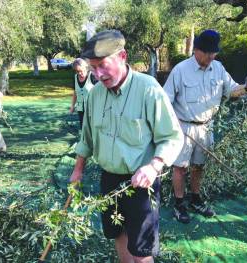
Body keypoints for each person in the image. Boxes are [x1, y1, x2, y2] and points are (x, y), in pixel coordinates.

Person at [70, 30, 184, 263]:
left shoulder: (149, 89)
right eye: (93, 68)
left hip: (141, 183)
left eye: (103, 65)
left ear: (122, 56)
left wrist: (154, 166)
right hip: (109, 179)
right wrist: (78, 169)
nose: (98, 74)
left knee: (141, 250)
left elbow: (172, 137)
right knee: (117, 232)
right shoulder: (95, 95)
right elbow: (87, 137)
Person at [163, 29, 247, 224]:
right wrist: (174, 124)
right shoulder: (181, 70)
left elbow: (232, 90)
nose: (211, 56)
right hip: (183, 127)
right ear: (196, 50)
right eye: (207, 52)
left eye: (214, 52)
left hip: (207, 128)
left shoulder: (218, 68)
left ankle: (195, 199)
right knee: (180, 168)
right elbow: (166, 100)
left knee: (199, 166)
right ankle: (179, 204)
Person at [70, 58, 97, 128]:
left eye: (80, 71)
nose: (79, 73)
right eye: (77, 71)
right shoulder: (75, 78)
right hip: (80, 109)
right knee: (84, 128)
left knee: (93, 128)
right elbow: (75, 92)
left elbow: (100, 92)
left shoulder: (92, 76)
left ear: (85, 67)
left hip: (93, 108)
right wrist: (72, 106)